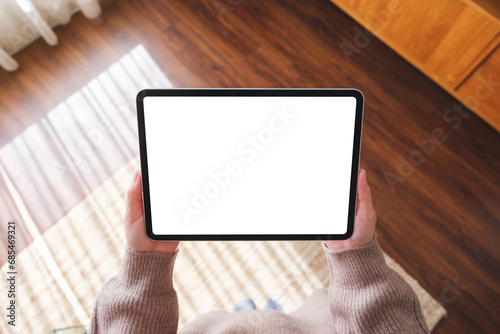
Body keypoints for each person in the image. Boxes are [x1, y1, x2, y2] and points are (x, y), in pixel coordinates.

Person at [88, 169, 430, 333]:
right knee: (290, 311)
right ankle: (263, 311)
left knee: (230, 321)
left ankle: (246, 313)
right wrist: (356, 258)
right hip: (304, 327)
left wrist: (145, 266)